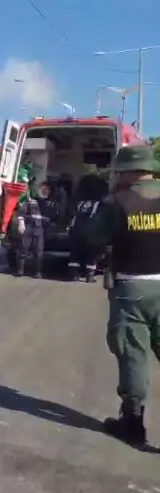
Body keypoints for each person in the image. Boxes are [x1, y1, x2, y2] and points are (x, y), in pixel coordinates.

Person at [81, 145, 160, 446]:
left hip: (133, 290)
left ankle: (133, 423)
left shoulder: (118, 202)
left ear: (125, 172)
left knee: (133, 355)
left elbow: (92, 237)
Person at [67, 170, 108, 282]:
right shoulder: (99, 204)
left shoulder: (80, 203)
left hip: (77, 232)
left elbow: (73, 216)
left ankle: (74, 275)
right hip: (91, 233)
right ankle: (89, 276)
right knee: (92, 254)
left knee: (75, 253)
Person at [13, 182, 52, 278]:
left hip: (40, 230)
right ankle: (20, 271)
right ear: (38, 189)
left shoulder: (50, 204)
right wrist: (21, 222)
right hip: (29, 227)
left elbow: (52, 218)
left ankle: (37, 273)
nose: (44, 190)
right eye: (42, 188)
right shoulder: (31, 200)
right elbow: (21, 212)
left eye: (46, 189)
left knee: (38, 252)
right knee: (23, 249)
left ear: (49, 191)